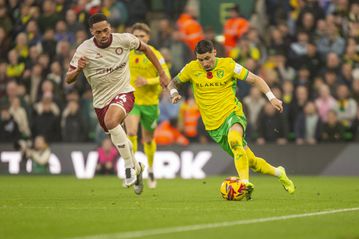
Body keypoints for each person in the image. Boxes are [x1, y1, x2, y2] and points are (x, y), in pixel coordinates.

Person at [167, 40, 295, 200]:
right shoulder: (191, 68)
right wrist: (173, 93)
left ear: (214, 52)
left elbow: (255, 79)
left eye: (207, 58)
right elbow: (172, 83)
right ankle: (279, 172)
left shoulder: (228, 65)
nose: (204, 63)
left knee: (235, 141)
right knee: (252, 162)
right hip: (214, 126)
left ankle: (244, 183)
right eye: (200, 59)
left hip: (232, 114)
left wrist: (272, 98)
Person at [65, 13, 170, 195]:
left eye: (106, 30)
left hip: (124, 93)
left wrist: (161, 73)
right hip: (101, 101)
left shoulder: (125, 40)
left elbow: (147, 49)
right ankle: (138, 167)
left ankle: (129, 166)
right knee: (117, 133)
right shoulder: (84, 49)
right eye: (99, 32)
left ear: (110, 27)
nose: (104, 35)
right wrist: (79, 69)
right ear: (92, 32)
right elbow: (68, 79)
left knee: (114, 122)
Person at [125, 23, 171, 188]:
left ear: (148, 38)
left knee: (148, 139)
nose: (138, 39)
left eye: (142, 36)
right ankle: (133, 168)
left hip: (151, 103)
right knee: (130, 132)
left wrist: (147, 81)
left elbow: (166, 78)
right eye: (136, 36)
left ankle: (150, 169)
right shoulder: (127, 53)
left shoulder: (155, 55)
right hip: (133, 101)